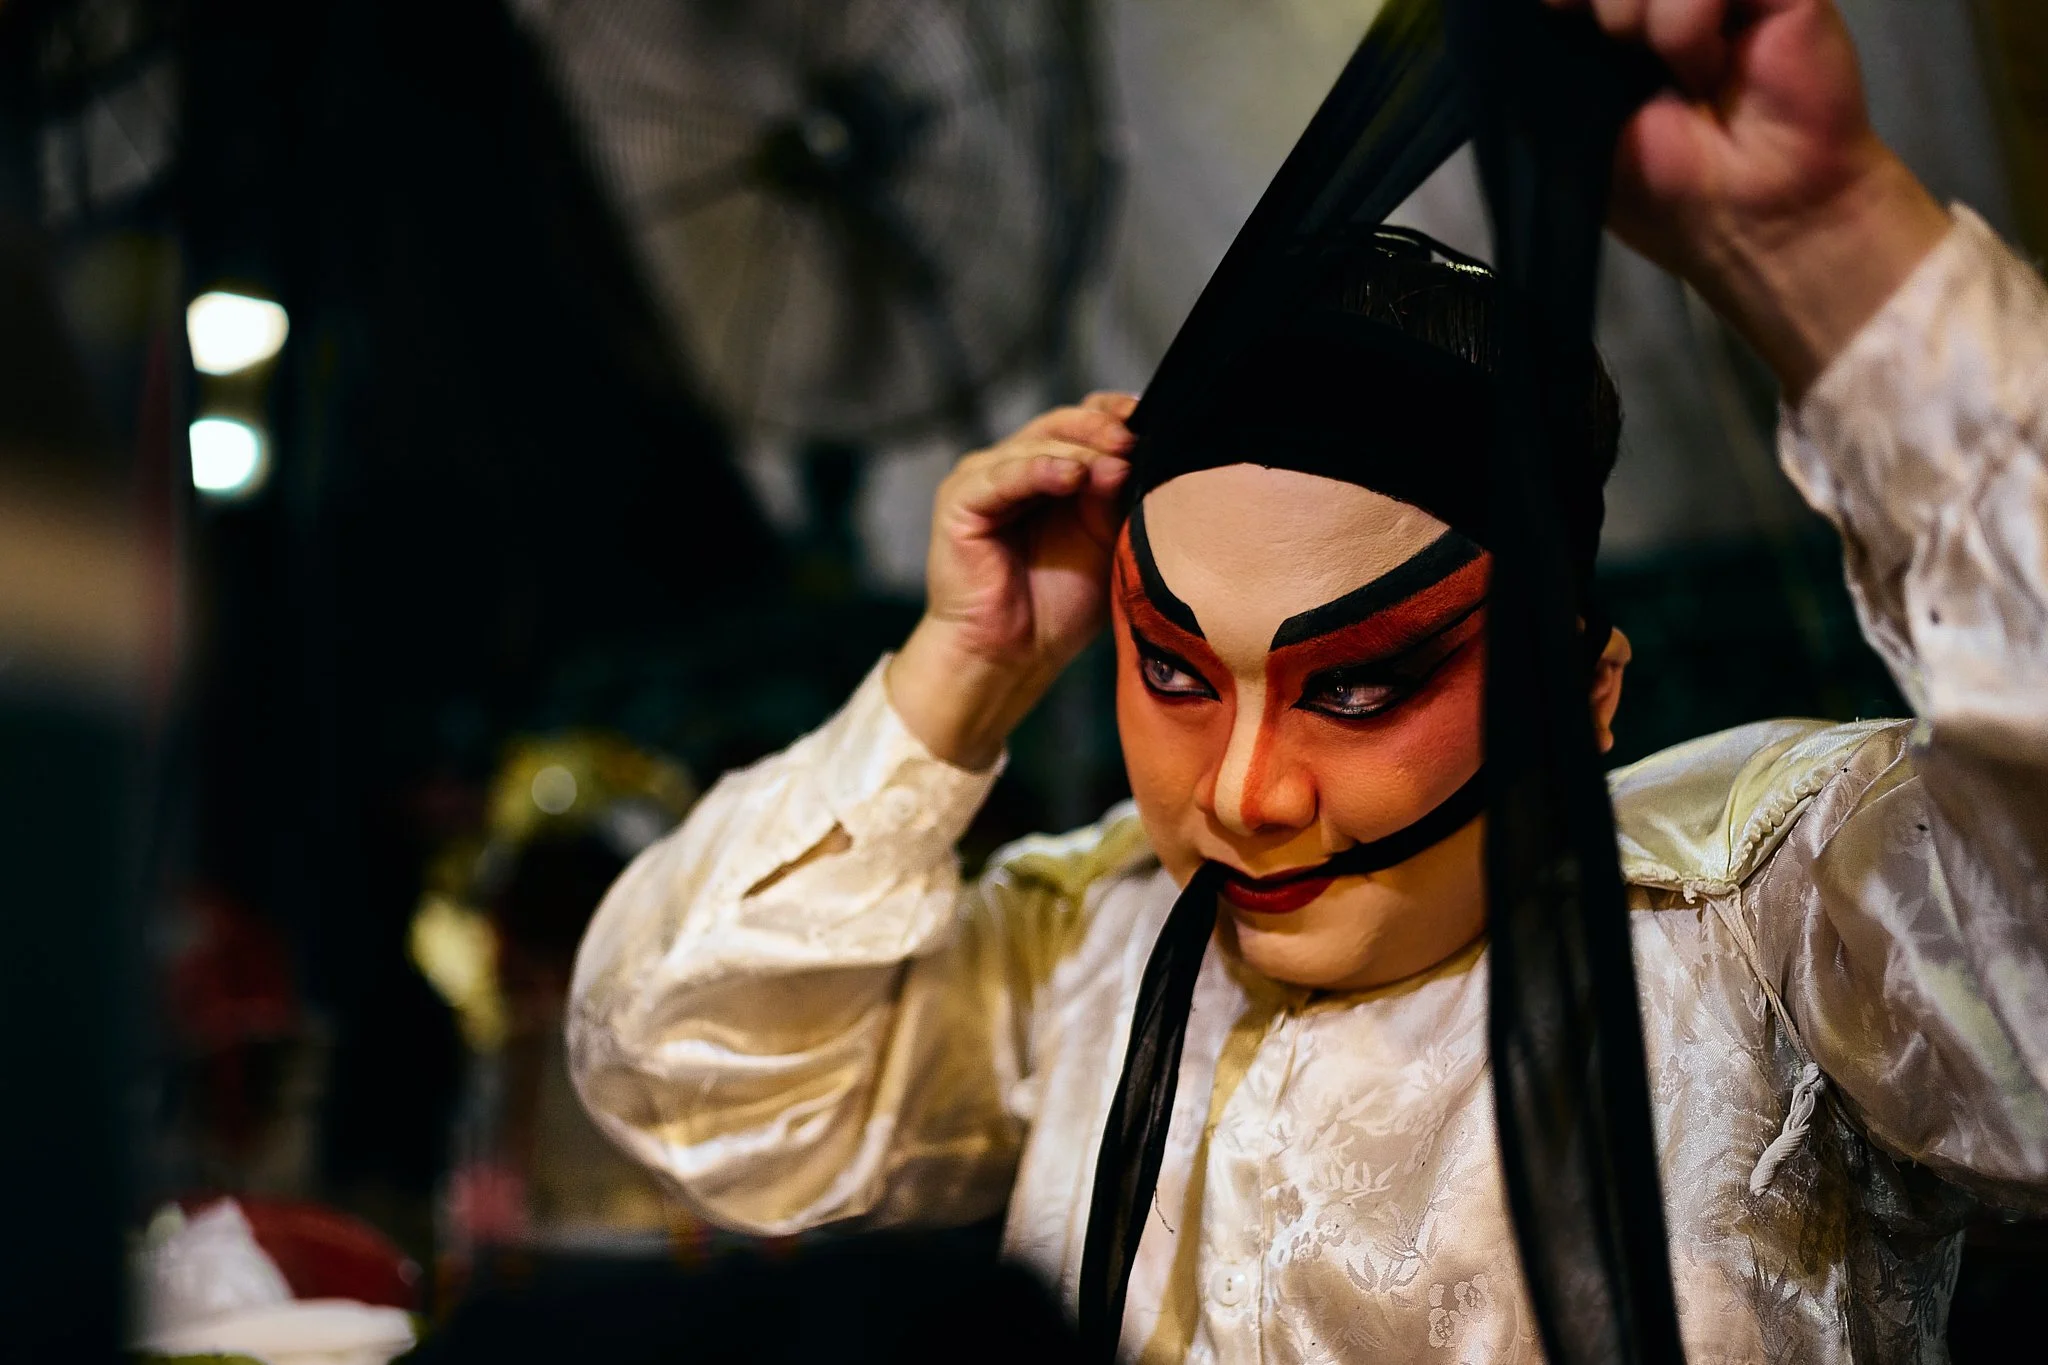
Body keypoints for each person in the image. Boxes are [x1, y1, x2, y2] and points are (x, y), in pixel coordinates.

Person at [567, 1, 2048, 1360]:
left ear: (1585, 696)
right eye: (1175, 671)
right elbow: (687, 1081)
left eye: (1358, 688)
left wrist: (1840, 248)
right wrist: (969, 672)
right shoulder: (1093, 945)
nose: (1240, 796)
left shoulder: (1765, 918)